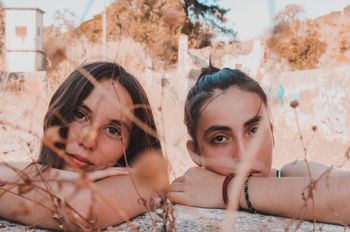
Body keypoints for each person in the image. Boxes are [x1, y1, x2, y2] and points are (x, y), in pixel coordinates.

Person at [169, 66, 350, 225]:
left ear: (271, 133)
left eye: (253, 131)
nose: (244, 153)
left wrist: (230, 190)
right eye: (220, 138)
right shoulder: (186, 197)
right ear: (195, 152)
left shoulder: (292, 173)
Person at [0, 61, 165, 230]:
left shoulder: (142, 182)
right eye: (80, 115)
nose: (89, 141)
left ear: (132, 146)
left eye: (112, 130)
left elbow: (79, 212)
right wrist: (49, 173)